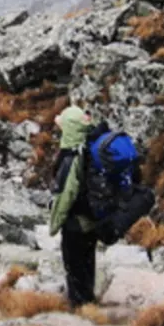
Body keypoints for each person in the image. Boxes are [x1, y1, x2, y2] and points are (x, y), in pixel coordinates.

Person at [48, 106, 108, 308]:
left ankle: (79, 305)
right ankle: (88, 299)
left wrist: (54, 225)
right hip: (92, 220)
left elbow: (66, 196)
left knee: (73, 264)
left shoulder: (71, 159)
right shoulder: (91, 153)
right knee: (87, 261)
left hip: (75, 223)